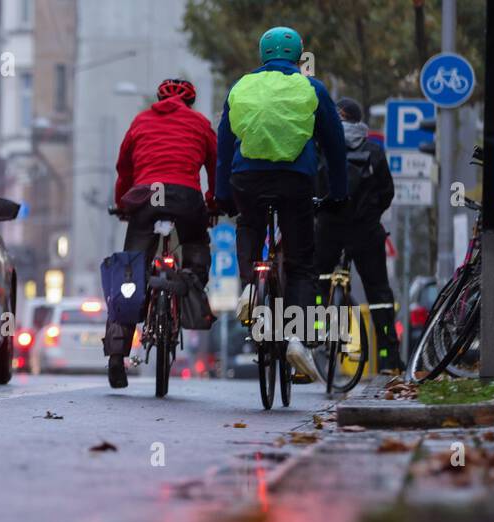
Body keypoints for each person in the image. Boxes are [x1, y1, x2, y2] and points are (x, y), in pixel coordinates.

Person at [215, 26, 348, 382]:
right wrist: (338, 192)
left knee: (248, 223)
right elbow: (336, 146)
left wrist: (222, 194)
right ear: (298, 55)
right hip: (295, 180)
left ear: (262, 54)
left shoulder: (241, 86)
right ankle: (296, 339)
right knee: (302, 264)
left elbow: (224, 145)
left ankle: (248, 287)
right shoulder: (313, 88)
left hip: (247, 178)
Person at [104, 78, 218, 389]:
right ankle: (190, 281)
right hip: (185, 196)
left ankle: (117, 355)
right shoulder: (200, 123)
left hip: (145, 196)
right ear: (190, 102)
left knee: (130, 270)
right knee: (195, 244)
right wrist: (213, 203)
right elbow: (215, 166)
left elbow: (123, 168)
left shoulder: (140, 121)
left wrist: (123, 203)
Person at [315, 97, 400, 370]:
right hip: (365, 231)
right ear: (358, 121)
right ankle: (389, 357)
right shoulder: (374, 151)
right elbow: (387, 192)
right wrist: (370, 214)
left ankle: (313, 336)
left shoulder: (322, 146)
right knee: (378, 292)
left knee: (316, 281)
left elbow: (312, 187)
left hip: (329, 228)